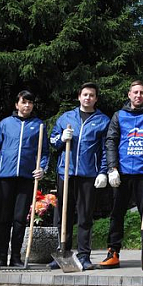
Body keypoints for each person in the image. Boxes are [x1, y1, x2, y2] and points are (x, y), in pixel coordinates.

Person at [99, 80, 143, 270]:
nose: (138, 96)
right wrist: (112, 168)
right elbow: (111, 141)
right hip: (123, 173)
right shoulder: (119, 116)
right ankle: (113, 252)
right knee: (117, 213)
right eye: (135, 92)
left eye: (142, 93)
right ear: (129, 95)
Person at [47, 83, 110, 270]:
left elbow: (106, 149)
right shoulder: (66, 118)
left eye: (91, 95)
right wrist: (61, 139)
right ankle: (63, 252)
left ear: (96, 98)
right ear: (79, 97)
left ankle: (84, 255)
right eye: (85, 94)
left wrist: (102, 172)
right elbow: (52, 140)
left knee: (85, 216)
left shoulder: (102, 121)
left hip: (88, 174)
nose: (88, 98)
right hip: (65, 172)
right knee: (62, 215)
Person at [0, 91, 48, 270]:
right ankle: (1, 257)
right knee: (4, 218)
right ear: (17, 104)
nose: (27, 106)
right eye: (24, 102)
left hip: (26, 177)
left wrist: (42, 169)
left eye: (30, 103)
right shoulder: (5, 124)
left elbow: (44, 152)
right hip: (5, 177)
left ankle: (16, 256)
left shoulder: (39, 125)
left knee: (20, 218)